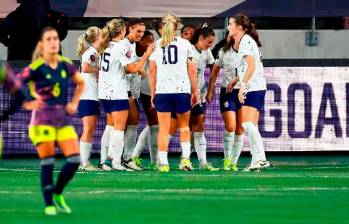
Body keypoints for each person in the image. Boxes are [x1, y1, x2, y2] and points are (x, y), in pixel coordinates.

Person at [18, 27, 85, 215]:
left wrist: (74, 103)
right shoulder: (36, 67)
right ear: (42, 44)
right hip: (41, 121)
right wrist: (27, 102)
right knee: (48, 162)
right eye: (49, 39)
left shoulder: (65, 64)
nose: (54, 41)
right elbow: (15, 83)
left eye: (56, 38)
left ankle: (57, 193)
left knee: (74, 160)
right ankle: (48, 205)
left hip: (63, 120)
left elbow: (81, 82)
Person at [98, 19, 154, 171]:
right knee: (119, 128)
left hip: (105, 91)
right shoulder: (122, 47)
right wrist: (146, 55)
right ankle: (116, 160)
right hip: (118, 91)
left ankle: (106, 160)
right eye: (138, 31)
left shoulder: (106, 45)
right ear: (125, 30)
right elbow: (132, 68)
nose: (140, 35)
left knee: (112, 126)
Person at [149, 13, 198, 172]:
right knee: (184, 127)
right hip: (181, 90)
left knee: (163, 129)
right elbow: (192, 70)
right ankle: (185, 161)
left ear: (162, 26)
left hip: (162, 91)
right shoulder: (185, 44)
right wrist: (194, 90)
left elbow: (152, 72)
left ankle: (163, 163)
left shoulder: (156, 45)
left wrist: (152, 94)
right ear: (177, 27)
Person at [227, 13, 270, 171]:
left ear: (239, 27)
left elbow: (251, 66)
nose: (228, 27)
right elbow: (251, 66)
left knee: (246, 123)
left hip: (254, 87)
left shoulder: (245, 41)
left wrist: (242, 86)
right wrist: (237, 78)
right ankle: (256, 160)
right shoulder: (247, 41)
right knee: (251, 125)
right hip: (257, 86)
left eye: (231, 24)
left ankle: (261, 159)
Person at [207, 29, 241, 171]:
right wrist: (211, 88)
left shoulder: (249, 50)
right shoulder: (223, 52)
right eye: (229, 35)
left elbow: (255, 69)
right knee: (231, 126)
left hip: (245, 91)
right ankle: (227, 159)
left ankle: (234, 161)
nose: (231, 37)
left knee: (240, 128)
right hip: (227, 92)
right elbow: (215, 70)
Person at [189, 24, 218, 171]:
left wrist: (211, 88)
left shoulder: (206, 53)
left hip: (198, 95)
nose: (210, 45)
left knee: (199, 125)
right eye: (209, 42)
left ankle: (203, 162)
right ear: (201, 38)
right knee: (180, 127)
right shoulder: (188, 51)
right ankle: (183, 160)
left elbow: (214, 67)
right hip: (184, 94)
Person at [119, 18, 147, 171]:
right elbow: (127, 68)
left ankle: (121, 158)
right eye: (138, 31)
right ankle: (124, 158)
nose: (140, 35)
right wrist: (139, 66)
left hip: (131, 91)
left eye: (142, 32)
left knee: (125, 126)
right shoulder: (123, 44)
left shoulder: (132, 45)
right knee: (129, 123)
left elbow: (131, 61)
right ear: (130, 29)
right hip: (122, 90)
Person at [76, 26, 105, 171]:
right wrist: (100, 71)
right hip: (87, 94)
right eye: (101, 33)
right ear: (97, 37)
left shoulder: (95, 52)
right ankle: (84, 163)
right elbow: (86, 67)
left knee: (90, 129)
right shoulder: (91, 52)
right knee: (88, 129)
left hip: (91, 94)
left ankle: (85, 162)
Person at [131, 31, 159, 170]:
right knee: (154, 125)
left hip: (152, 91)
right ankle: (152, 161)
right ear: (139, 41)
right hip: (143, 92)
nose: (150, 44)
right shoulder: (131, 52)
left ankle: (135, 156)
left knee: (154, 125)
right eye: (147, 41)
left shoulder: (153, 52)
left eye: (152, 41)